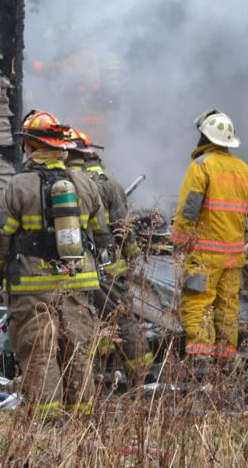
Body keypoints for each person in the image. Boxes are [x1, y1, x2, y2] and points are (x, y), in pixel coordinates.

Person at [0, 110, 110, 416]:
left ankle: (48, 424)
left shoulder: (17, 187)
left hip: (32, 286)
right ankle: (82, 421)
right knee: (78, 349)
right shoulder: (86, 183)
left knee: (40, 350)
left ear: (29, 146)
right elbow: (103, 235)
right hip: (78, 283)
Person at [172, 110, 248, 371]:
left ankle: (200, 362)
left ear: (204, 137)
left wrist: (179, 242)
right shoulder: (244, 170)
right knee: (227, 307)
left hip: (204, 254)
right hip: (234, 255)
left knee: (198, 301)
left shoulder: (201, 166)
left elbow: (189, 210)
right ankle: (225, 361)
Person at [66, 128, 153, 381]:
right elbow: (122, 226)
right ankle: (140, 375)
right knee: (122, 317)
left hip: (79, 264)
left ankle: (93, 376)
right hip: (109, 263)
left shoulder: (67, 181)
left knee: (87, 318)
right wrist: (132, 256)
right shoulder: (109, 182)